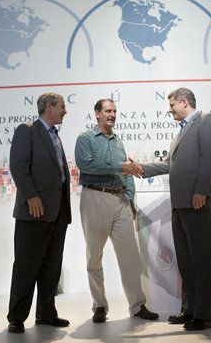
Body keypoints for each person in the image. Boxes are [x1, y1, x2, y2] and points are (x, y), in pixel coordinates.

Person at [134, 87, 211, 330]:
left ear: (185, 102)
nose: (169, 109)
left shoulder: (206, 121)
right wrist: (139, 168)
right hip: (182, 205)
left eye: (172, 104)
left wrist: (201, 191)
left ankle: (205, 316)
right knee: (187, 262)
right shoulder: (181, 133)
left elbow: (209, 158)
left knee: (202, 261)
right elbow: (168, 165)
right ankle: (190, 310)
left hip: (198, 202)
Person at [74, 98, 158, 323]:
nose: (112, 114)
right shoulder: (86, 139)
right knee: (94, 256)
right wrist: (120, 166)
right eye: (108, 111)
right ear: (97, 113)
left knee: (131, 256)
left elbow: (127, 173)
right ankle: (99, 305)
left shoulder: (118, 141)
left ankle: (138, 306)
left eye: (114, 111)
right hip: (95, 197)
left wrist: (130, 200)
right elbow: (87, 165)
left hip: (120, 200)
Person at [7, 93, 71, 333]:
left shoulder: (55, 135)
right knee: (26, 266)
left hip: (58, 212)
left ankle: (46, 314)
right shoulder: (27, 130)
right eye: (62, 107)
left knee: (52, 267)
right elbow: (18, 166)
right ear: (49, 107)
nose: (65, 111)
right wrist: (31, 196)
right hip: (34, 210)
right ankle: (16, 317)